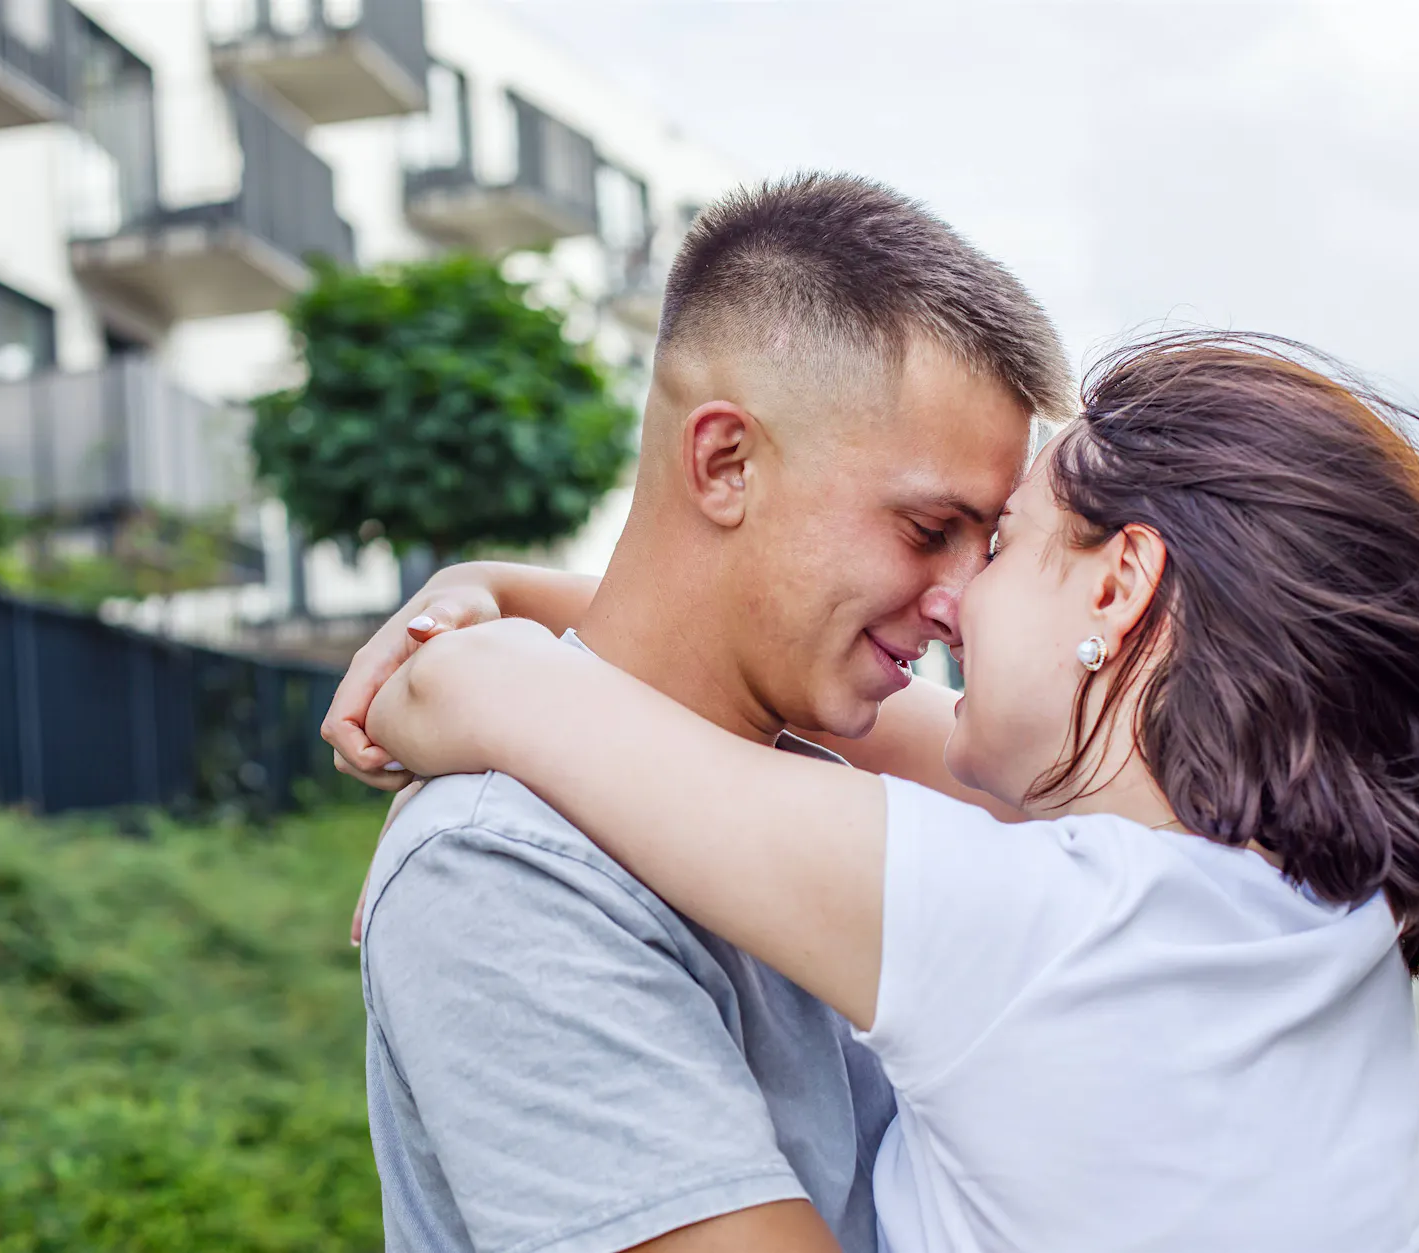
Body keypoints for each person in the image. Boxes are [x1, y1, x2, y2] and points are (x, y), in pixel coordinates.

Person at [356, 334, 1419, 1253]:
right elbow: (881, 721)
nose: (950, 602)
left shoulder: (1036, 927)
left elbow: (475, 692)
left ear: (1114, 591)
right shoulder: (1293, 901)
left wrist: (452, 669)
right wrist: (506, 588)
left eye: (996, 545)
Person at [339, 173, 1075, 1253]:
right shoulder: (502, 867)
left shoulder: (829, 777)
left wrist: (499, 593)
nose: (962, 607)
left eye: (990, 544)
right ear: (724, 462)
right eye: (927, 529)